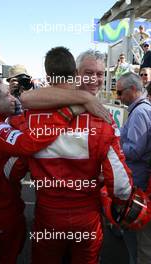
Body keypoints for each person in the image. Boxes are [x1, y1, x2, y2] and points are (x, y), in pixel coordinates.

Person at [22, 47, 133, 264]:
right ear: (75, 74)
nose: (94, 79)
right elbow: (120, 185)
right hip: (86, 215)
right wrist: (122, 202)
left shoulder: (30, 115)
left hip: (48, 213)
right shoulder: (102, 119)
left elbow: (13, 166)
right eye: (88, 73)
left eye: (99, 74)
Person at [0, 75, 82, 264]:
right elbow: (29, 143)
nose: (13, 98)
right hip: (1, 209)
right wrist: (66, 114)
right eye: (7, 94)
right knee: (7, 253)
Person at [116, 72, 151, 264]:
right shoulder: (140, 110)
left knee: (134, 231)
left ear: (133, 90)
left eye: (120, 92)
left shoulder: (140, 111)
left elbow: (135, 150)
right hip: (140, 178)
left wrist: (115, 146)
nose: (118, 96)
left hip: (139, 180)